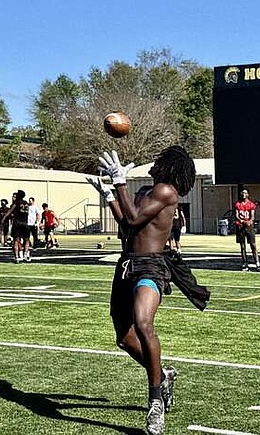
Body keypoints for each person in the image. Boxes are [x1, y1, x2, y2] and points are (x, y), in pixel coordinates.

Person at [88, 147, 210, 435]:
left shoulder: (167, 192)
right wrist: (109, 195)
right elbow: (127, 223)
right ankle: (163, 374)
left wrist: (119, 183)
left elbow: (132, 219)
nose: (154, 164)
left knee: (143, 322)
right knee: (124, 339)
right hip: (126, 266)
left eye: (160, 160)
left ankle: (155, 402)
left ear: (170, 167)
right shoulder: (146, 190)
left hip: (150, 266)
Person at [234, 187, 260, 271]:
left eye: (245, 193)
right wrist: (242, 221)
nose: (243, 194)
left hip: (249, 226)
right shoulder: (237, 204)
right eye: (242, 193)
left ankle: (257, 262)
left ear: (248, 194)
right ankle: (245, 263)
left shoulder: (251, 204)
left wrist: (250, 221)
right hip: (240, 226)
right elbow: (237, 215)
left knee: (253, 245)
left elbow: (252, 216)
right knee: (242, 246)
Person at [3, 190, 31, 263]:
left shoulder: (16, 203)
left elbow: (10, 211)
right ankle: (25, 255)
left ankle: (17, 257)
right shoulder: (26, 203)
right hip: (25, 223)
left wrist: (4, 218)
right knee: (27, 240)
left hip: (17, 223)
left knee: (16, 240)